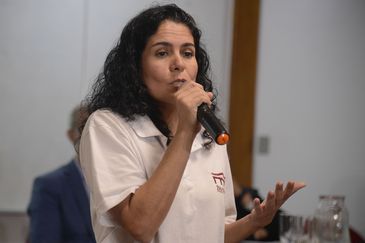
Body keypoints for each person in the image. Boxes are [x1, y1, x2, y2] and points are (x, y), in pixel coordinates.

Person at [79, 4, 305, 243]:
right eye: (162, 53)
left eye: (188, 53)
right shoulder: (108, 126)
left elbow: (213, 233)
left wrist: (254, 222)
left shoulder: (209, 132)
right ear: (136, 66)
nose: (179, 64)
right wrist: (185, 133)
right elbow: (140, 226)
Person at [27, 106, 96, 243]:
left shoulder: (125, 181)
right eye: (83, 129)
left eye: (99, 130)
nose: (92, 137)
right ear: (71, 135)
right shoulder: (49, 187)